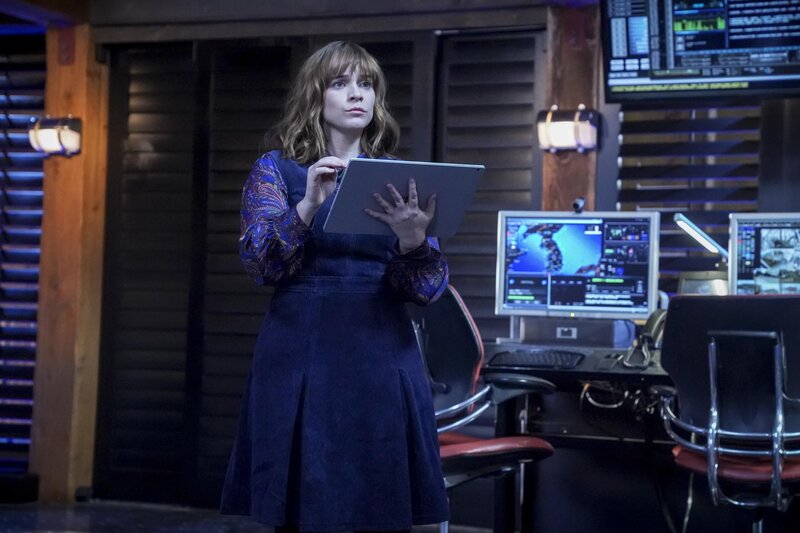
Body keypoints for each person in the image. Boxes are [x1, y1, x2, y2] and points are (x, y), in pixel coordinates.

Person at [220, 41, 450, 533]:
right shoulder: (276, 168)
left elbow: (426, 290)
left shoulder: (397, 178)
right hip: (300, 347)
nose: (357, 95)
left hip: (380, 348)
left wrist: (412, 239)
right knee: (302, 506)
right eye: (341, 84)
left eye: (366, 84)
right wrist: (307, 204)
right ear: (315, 96)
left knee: (381, 505)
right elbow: (261, 265)